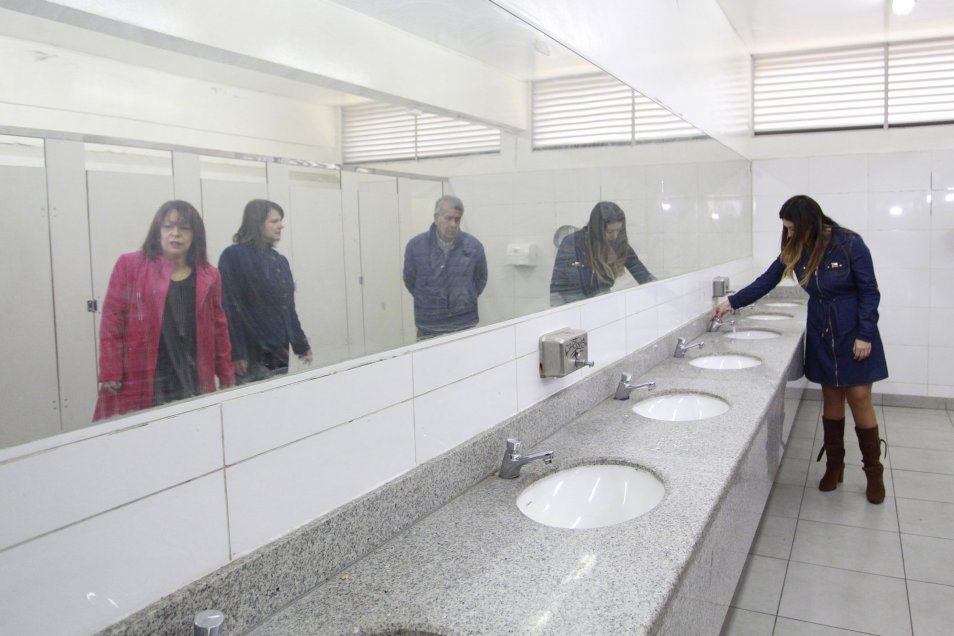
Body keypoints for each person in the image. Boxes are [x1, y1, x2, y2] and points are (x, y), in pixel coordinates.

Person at [712, 194, 889, 504]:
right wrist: (731, 302)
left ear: (810, 223)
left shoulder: (849, 244)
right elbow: (767, 280)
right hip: (822, 329)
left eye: (793, 227)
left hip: (854, 331)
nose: (789, 233)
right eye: (787, 228)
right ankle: (834, 466)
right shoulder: (796, 248)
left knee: (859, 397)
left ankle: (874, 473)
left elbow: (869, 291)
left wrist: (865, 334)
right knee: (831, 397)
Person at [94, 200, 234, 420]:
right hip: (143, 373)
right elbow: (113, 319)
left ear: (195, 235)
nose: (175, 234)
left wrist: (226, 374)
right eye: (168, 226)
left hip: (192, 374)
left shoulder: (210, 275)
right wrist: (110, 369)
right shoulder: (130, 265)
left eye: (184, 228)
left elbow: (219, 327)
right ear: (157, 231)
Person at [218, 199, 312, 383]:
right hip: (251, 352)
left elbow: (288, 308)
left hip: (279, 348)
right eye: (274, 221)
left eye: (280, 221)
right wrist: (237, 352)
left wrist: (301, 345)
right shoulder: (234, 256)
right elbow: (230, 307)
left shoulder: (279, 261)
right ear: (257, 223)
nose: (281, 226)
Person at [403, 195, 488, 340]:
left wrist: (465, 297)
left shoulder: (473, 246)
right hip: (429, 325)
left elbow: (480, 280)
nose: (453, 224)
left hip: (464, 324)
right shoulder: (415, 246)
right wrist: (427, 300)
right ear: (437, 218)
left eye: (457, 219)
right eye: (448, 218)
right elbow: (410, 280)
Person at [549, 201, 656, 306]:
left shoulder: (617, 242)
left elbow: (639, 270)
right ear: (597, 230)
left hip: (603, 299)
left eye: (618, 230)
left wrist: (659, 290)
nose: (615, 236)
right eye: (610, 232)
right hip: (575, 304)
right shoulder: (573, 243)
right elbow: (557, 287)